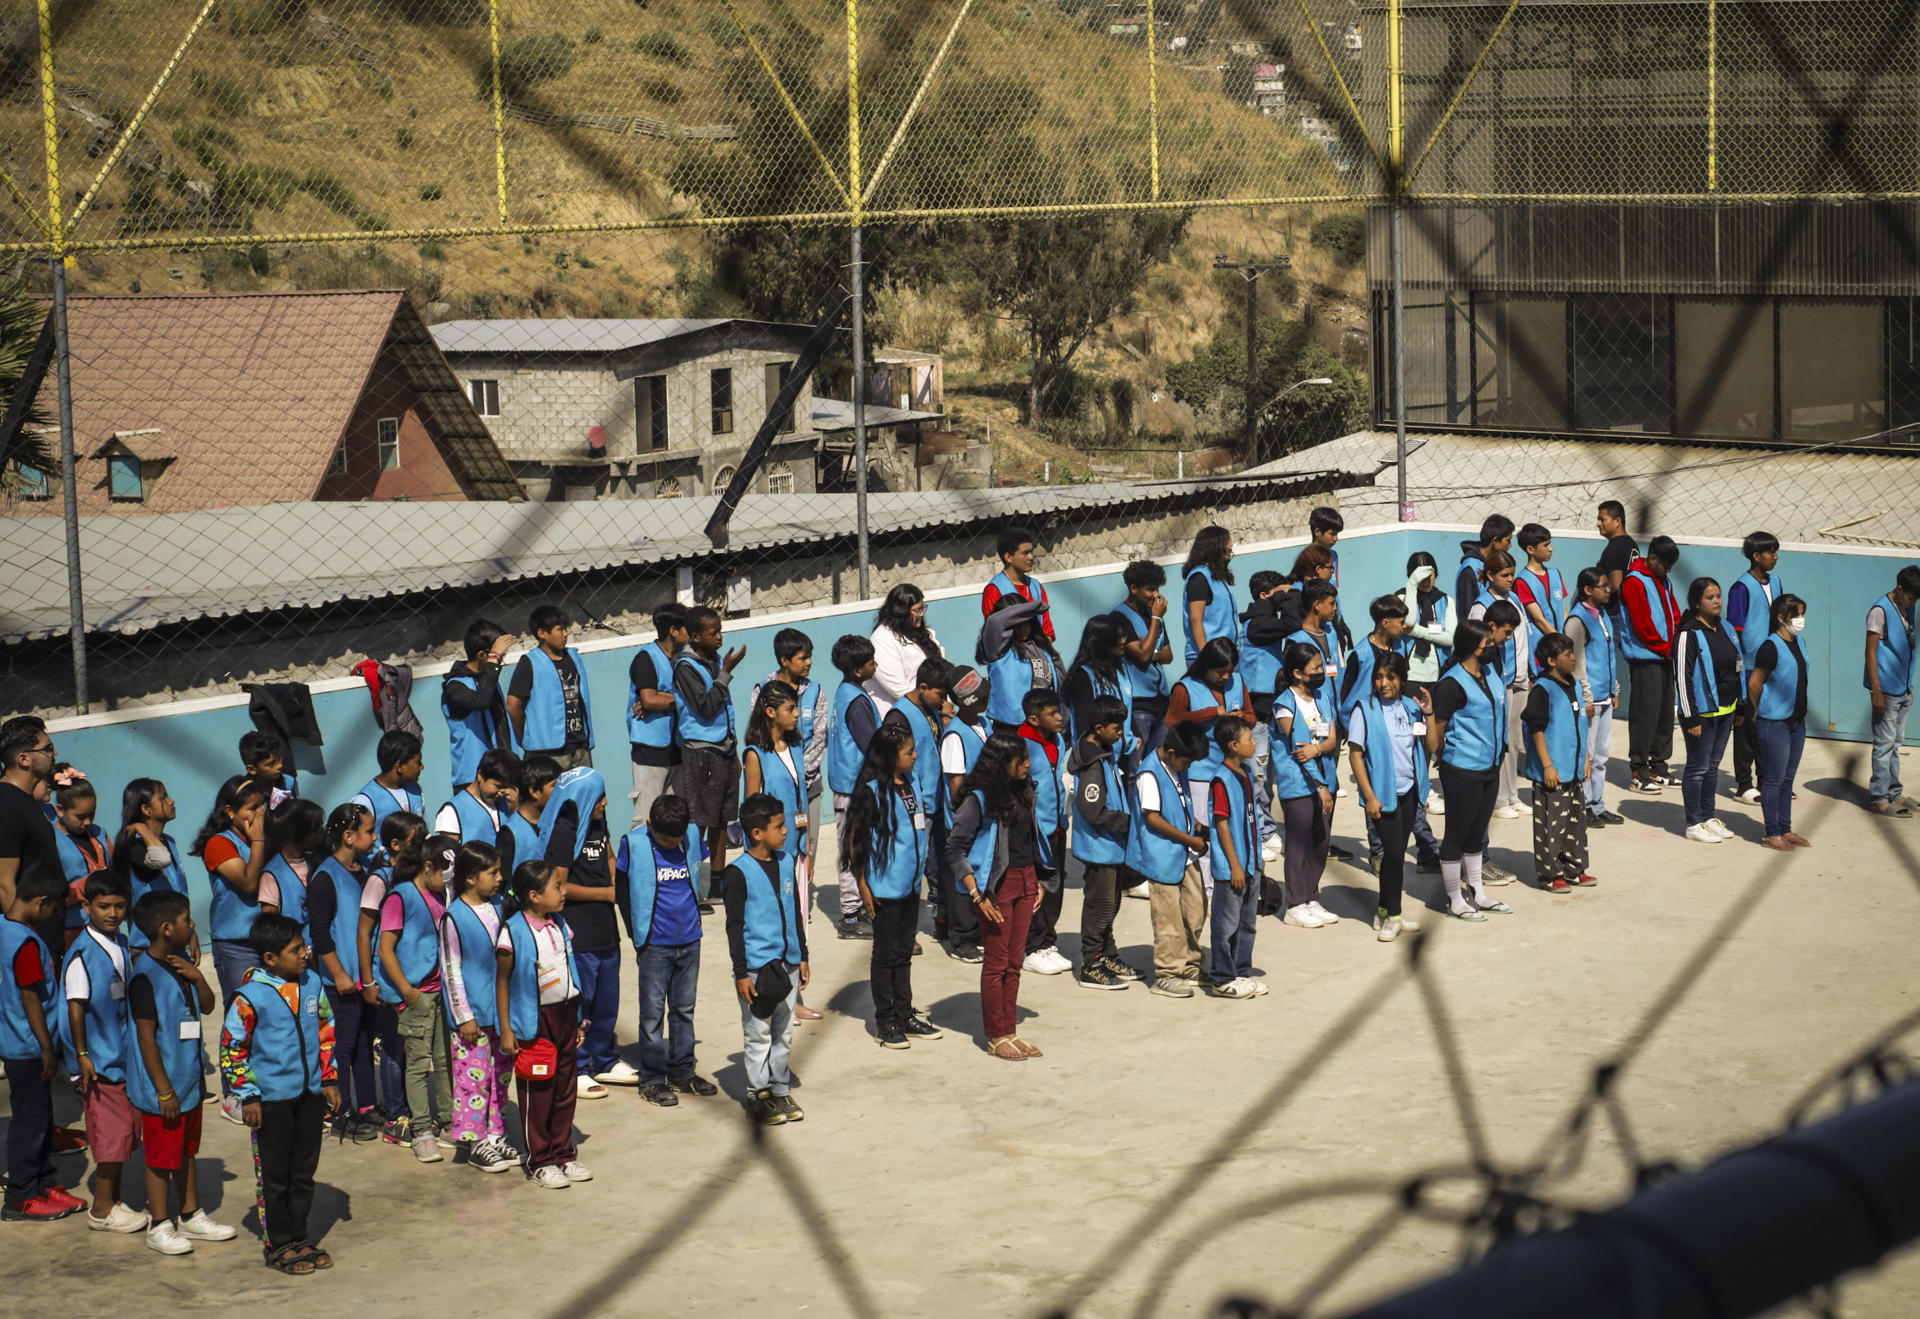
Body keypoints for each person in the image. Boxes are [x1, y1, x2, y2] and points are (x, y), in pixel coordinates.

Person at [220, 912, 339, 1274]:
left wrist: (329, 1078)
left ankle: (300, 1237)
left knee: (303, 1172)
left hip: (309, 1096)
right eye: (295, 949)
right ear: (270, 959)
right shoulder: (249, 996)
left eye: (303, 946)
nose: (304, 953)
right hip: (270, 1102)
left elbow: (326, 1032)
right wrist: (249, 1095)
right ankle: (279, 1244)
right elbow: (232, 1048)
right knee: (275, 1176)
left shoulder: (313, 984)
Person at [128, 889, 237, 1254]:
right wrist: (163, 1090)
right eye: (187, 921)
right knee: (161, 1158)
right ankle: (159, 1224)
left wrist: (198, 977)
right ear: (165, 928)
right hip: (164, 1089)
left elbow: (207, 1008)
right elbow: (146, 1039)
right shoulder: (144, 977)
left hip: (188, 1083)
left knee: (186, 1150)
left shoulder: (179, 967)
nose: (192, 926)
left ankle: (190, 1215)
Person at [945, 733, 1048, 1061]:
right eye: (1021, 759)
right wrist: (976, 894)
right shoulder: (978, 799)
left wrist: (1038, 878)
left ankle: (1010, 1031)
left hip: (1026, 880)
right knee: (997, 963)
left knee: (1015, 963)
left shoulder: (1025, 790)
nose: (1028, 764)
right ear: (1002, 762)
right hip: (997, 888)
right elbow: (954, 848)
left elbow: (1029, 839)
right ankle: (995, 1035)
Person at [493, 860, 592, 1188]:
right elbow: (503, 982)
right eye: (556, 887)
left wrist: (578, 1018)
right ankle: (541, 1159)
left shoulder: (560, 924)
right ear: (534, 895)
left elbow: (569, 970)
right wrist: (507, 1028)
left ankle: (564, 1152)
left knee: (566, 1087)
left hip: (564, 1016)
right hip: (535, 1022)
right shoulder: (513, 931)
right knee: (539, 1091)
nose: (564, 892)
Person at [617, 794, 715, 1108]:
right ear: (649, 825)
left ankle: (683, 1072)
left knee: (684, 1011)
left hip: (689, 940)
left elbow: (701, 867)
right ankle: (653, 1079)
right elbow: (622, 892)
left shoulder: (691, 835)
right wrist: (637, 937)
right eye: (665, 840)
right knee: (652, 1016)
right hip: (655, 945)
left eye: (677, 839)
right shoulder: (632, 844)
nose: (673, 845)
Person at [63, 870, 143, 1231]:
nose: (112, 913)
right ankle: (102, 1209)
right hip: (100, 1061)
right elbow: (75, 1007)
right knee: (110, 1136)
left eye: (119, 906)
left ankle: (115, 1200)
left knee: (124, 1132)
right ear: (86, 907)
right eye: (104, 906)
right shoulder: (82, 954)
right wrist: (82, 1055)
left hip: (123, 1056)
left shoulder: (121, 943)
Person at [537, 766, 625, 1097]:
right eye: (600, 795)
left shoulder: (598, 822)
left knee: (607, 999)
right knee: (582, 1001)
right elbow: (558, 884)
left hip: (605, 928)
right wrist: (605, 894)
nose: (605, 801)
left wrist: (617, 883)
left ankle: (605, 1059)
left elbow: (609, 857)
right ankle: (580, 1064)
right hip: (579, 931)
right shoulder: (566, 828)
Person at [721, 794, 809, 1124]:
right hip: (757, 969)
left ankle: (780, 1090)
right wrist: (741, 972)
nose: (786, 831)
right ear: (757, 833)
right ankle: (758, 1095)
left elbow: (795, 912)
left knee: (784, 1032)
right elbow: (734, 926)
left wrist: (802, 955)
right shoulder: (737, 873)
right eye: (779, 826)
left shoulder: (786, 861)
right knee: (758, 1032)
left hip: (786, 963)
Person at [846, 725, 935, 1048]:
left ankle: (904, 1012)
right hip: (884, 888)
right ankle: (886, 1021)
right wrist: (863, 885)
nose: (915, 756)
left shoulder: (910, 784)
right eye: (909, 752)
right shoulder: (871, 791)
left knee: (903, 953)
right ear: (889, 756)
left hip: (911, 886)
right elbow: (855, 840)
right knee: (885, 955)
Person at [440, 840, 521, 1172]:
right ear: (470, 878)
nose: (499, 878)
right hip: (473, 1019)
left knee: (499, 1077)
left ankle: (494, 1135)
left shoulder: (499, 907)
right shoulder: (453, 917)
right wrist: (464, 1018)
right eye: (492, 872)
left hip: (499, 1015)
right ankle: (473, 1143)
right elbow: (451, 969)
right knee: (472, 1081)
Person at [375, 834, 457, 1162]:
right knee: (419, 1064)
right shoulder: (401, 897)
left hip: (439, 994)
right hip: (416, 996)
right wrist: (407, 992)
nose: (448, 880)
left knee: (443, 1060)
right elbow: (385, 949)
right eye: (444, 872)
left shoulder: (441, 895)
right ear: (427, 866)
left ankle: (449, 1121)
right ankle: (422, 1130)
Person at [1424, 619, 1512, 922]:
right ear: (1474, 646)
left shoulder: (1489, 673)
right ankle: (1453, 898)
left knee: (1477, 833)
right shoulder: (1451, 684)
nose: (1494, 646)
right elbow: (1436, 731)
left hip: (1490, 765)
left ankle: (1478, 893)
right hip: (1462, 768)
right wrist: (1444, 757)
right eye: (1488, 642)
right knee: (1457, 834)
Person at [2, 865, 76, 1222]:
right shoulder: (26, 942)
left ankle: (44, 1182)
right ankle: (22, 1195)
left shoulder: (3, 929)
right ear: (41, 902)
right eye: (53, 911)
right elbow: (30, 996)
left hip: (14, 1041)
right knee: (31, 1123)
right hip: (30, 1047)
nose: (51, 919)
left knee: (42, 1118)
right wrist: (47, 1047)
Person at [307, 803, 379, 1140]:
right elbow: (320, 933)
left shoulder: (363, 871)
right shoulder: (325, 877)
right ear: (348, 837)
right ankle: (341, 1112)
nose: (374, 837)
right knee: (343, 1046)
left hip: (361, 978)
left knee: (363, 1043)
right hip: (342, 981)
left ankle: (367, 1105)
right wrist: (337, 973)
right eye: (369, 831)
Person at [1347, 652, 1431, 940]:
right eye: (1379, 677)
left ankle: (1383, 909)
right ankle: (1394, 916)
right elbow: (1356, 755)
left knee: (1395, 856)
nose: (1383, 683)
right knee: (1394, 855)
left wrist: (1429, 713)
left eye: (1390, 678)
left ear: (1402, 680)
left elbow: (1429, 745)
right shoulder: (1365, 709)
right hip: (1382, 796)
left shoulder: (1410, 707)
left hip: (1409, 792)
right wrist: (1369, 796)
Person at [358, 810, 424, 1143]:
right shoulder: (380, 880)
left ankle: (409, 1107)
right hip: (386, 977)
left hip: (409, 973)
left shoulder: (415, 877)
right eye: (417, 841)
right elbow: (365, 930)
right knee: (393, 1046)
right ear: (395, 844)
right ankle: (396, 1115)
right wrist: (368, 981)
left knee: (409, 1045)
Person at [1129, 722, 1209, 995]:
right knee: (1169, 917)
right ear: (1172, 751)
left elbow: (1178, 802)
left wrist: (1194, 823)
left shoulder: (1177, 766)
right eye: (1187, 761)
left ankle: (1189, 963)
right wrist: (1189, 839)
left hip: (1185, 855)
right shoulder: (1149, 774)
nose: (1189, 767)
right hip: (1163, 855)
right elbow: (1152, 818)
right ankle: (1167, 972)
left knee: (1195, 910)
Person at [194, 774, 271, 1054]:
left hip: (266, 939)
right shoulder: (219, 843)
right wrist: (259, 841)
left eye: (262, 805)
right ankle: (235, 1095)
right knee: (241, 1020)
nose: (260, 813)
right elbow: (249, 883)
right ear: (230, 812)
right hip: (237, 945)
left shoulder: (258, 839)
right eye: (252, 809)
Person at [1068, 695, 1138, 990]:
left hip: (1111, 847)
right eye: (1116, 728)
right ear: (1098, 728)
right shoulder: (1093, 765)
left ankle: (1107, 954)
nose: (1120, 733)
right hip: (1100, 848)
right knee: (1100, 906)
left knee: (1112, 904)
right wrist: (1130, 823)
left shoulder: (1104, 752)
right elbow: (1093, 810)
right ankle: (1090, 963)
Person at [674, 606, 746, 892]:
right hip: (702, 753)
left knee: (722, 819)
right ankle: (692, 886)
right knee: (699, 820)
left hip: (725, 749)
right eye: (712, 633)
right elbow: (705, 707)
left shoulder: (714, 660)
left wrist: (735, 751)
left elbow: (724, 711)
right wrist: (726, 673)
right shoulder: (685, 666)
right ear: (694, 636)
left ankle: (717, 884)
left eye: (720, 631)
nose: (719, 637)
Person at [1272, 642, 1340, 930]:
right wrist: (1320, 785)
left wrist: (1318, 750)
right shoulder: (1284, 705)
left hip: (1326, 779)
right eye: (1315, 668)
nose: (1321, 671)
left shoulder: (1321, 696)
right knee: (1299, 844)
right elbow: (1300, 751)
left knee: (1320, 841)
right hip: (1301, 784)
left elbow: (1331, 739)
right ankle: (1295, 903)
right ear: (1298, 673)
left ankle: (1311, 896)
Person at [745, 681, 818, 938]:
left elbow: (802, 798)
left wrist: (806, 848)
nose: (797, 713)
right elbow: (751, 814)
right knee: (777, 921)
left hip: (797, 848)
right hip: (772, 853)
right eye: (790, 708)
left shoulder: (796, 747)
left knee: (799, 922)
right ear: (770, 712)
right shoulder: (755, 755)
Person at [1523, 634, 1594, 893]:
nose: (1573, 658)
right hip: (1552, 771)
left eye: (1573, 653)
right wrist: (1547, 766)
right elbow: (1536, 729)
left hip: (1573, 768)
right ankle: (1550, 874)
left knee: (1575, 822)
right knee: (1549, 825)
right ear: (1551, 661)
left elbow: (1581, 726)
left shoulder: (1572, 683)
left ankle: (1574, 868)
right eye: (1567, 655)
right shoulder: (1542, 688)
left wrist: (1585, 759)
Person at [1675, 577, 1741, 845]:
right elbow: (1682, 676)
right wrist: (1692, 716)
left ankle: (1708, 815)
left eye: (1718, 596)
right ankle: (1693, 822)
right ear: (1696, 602)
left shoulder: (1724, 627)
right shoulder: (1688, 633)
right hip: (1701, 713)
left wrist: (1741, 702)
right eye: (1710, 597)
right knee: (1697, 767)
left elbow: (1738, 664)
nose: (1717, 601)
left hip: (1726, 709)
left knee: (1712, 767)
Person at [1468, 552, 1532, 820]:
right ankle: (1499, 799)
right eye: (1504, 575)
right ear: (1490, 575)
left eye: (1512, 574)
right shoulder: (1482, 607)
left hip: (1519, 679)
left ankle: (1513, 794)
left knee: (1515, 742)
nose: (1510, 579)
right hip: (1500, 681)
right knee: (1501, 740)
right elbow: (1478, 646)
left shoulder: (1513, 599)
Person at [1205, 717, 1265, 1000]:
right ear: (1233, 745)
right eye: (1248, 739)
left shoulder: (1245, 773)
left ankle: (1242, 972)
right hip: (1234, 868)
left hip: (1251, 863)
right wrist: (1235, 865)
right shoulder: (1221, 780)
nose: (1254, 742)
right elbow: (1222, 824)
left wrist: (1256, 858)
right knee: (1226, 924)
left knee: (1247, 924)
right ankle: (1222, 977)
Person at [1167, 636, 1254, 826]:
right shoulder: (1186, 687)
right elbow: (1172, 721)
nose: (1226, 677)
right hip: (1201, 773)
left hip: (1233, 770)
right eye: (1221, 672)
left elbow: (1252, 717)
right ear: (1206, 666)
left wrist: (1242, 719)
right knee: (1205, 830)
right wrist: (1210, 713)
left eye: (1230, 672)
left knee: (1234, 827)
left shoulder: (1238, 681)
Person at [936, 670, 992, 963]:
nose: (987, 696)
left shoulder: (984, 724)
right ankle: (962, 940)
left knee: (980, 872)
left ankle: (979, 930)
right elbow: (956, 785)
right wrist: (968, 814)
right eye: (981, 694)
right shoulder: (955, 736)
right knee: (962, 880)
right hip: (964, 820)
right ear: (968, 700)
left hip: (985, 816)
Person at [828, 635, 882, 940]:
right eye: (871, 661)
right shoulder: (857, 701)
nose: (876, 664)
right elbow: (872, 745)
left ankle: (860, 905)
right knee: (851, 850)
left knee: (857, 848)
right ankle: (850, 916)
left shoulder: (846, 691)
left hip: (849, 785)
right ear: (859, 669)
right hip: (852, 788)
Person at [1621, 535, 1684, 794]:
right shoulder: (1634, 581)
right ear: (1653, 558)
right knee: (1645, 716)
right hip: (1646, 656)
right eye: (1665, 565)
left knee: (1664, 715)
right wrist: (1665, 647)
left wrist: (1678, 640)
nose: (1668, 571)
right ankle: (1639, 771)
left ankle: (1659, 766)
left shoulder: (1662, 580)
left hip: (1665, 656)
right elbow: (1642, 624)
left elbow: (1674, 613)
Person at [1749, 595, 1812, 852]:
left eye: (1801, 614)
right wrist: (1755, 712)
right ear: (1781, 617)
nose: (1800, 620)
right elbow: (1755, 683)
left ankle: (1785, 828)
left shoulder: (1799, 642)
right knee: (1773, 779)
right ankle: (1772, 832)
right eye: (1796, 615)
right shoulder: (1770, 647)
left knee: (1788, 779)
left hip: (1796, 721)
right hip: (1774, 722)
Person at [1016, 689, 1072, 977]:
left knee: (1055, 884)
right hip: (1035, 829)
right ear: (1034, 719)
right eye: (1053, 714)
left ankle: (1047, 942)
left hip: (1057, 824)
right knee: (1038, 887)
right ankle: (1032, 947)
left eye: (1059, 711)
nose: (1060, 718)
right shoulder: (1021, 744)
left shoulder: (1058, 740)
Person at [1726, 534, 1784, 804]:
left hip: (1772, 665)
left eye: (1776, 551)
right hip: (1749, 668)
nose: (1775, 556)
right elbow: (1734, 631)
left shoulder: (1777, 582)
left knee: (1767, 725)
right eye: (1770, 552)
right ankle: (1743, 784)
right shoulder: (1741, 587)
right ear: (1755, 556)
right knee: (1746, 725)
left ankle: (1766, 779)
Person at [1564, 570, 1624, 828]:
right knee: (1585, 755)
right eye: (1603, 586)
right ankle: (1583, 805)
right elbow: (1575, 662)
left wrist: (1614, 691)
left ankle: (1597, 804)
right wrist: (1586, 697)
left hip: (1605, 697)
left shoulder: (1602, 616)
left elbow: (1608, 657)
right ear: (1588, 590)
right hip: (1590, 699)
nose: (1609, 590)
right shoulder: (1578, 620)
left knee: (1601, 755)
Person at [1240, 569, 1292, 863]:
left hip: (1269, 713)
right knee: (1257, 777)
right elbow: (1293, 621)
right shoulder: (1256, 625)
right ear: (1264, 596)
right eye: (1278, 593)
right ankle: (1260, 832)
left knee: (1268, 776)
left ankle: (1267, 828)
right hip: (1257, 715)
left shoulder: (1265, 622)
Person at [508, 605, 594, 771]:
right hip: (547, 753)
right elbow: (513, 705)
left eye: (565, 629)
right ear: (542, 634)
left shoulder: (573, 657)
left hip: (579, 747)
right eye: (560, 629)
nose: (565, 634)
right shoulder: (530, 662)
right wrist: (528, 735)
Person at [1864, 566, 1920, 818]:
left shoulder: (1909, 606)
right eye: (1911, 596)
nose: (1914, 601)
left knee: (1896, 744)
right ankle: (1878, 797)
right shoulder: (1879, 611)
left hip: (1902, 688)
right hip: (1885, 689)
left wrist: (1909, 687)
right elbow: (1871, 652)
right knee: (1884, 745)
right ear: (1899, 589)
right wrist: (1876, 690)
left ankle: (1895, 793)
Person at [626, 603, 688, 832]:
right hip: (651, 750)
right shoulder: (646, 659)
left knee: (677, 817)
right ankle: (641, 864)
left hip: (678, 748)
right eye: (686, 628)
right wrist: (682, 699)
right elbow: (649, 700)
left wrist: (666, 698)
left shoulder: (685, 658)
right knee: (646, 816)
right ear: (673, 630)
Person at [442, 617, 516, 796]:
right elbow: (480, 701)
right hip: (472, 780)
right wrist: (494, 662)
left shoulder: (488, 681)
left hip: (503, 772)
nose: (501, 662)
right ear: (483, 655)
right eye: (499, 657)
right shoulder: (455, 686)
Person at [112, 778, 185, 950]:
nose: (171, 801)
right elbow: (161, 859)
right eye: (163, 798)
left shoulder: (168, 841)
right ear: (146, 810)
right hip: (150, 946)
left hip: (175, 939)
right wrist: (141, 828)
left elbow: (178, 888)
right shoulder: (135, 847)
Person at [1113, 560, 1174, 760]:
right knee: (1135, 766)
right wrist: (1155, 621)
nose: (1156, 595)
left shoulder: (1155, 615)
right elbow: (1142, 655)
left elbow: (1167, 655)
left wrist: (1150, 647)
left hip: (1161, 702)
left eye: (1157, 589)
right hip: (1138, 705)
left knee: (1158, 763)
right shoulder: (1120, 618)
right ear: (1133, 588)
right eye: (1150, 589)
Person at [0, 715, 59, 921]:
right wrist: (25, 939)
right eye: (48, 749)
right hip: (28, 942)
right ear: (24, 759)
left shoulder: (26, 801)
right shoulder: (6, 802)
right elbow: (4, 884)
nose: (54, 754)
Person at [978, 595, 1060, 735]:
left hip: (1042, 726)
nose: (1023, 629)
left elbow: (1060, 680)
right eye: (1016, 625)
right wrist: (1034, 607)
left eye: (1026, 622)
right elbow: (995, 622)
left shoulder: (1039, 648)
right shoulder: (998, 649)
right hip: (1011, 729)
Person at [50, 768, 109, 945]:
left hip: (105, 923)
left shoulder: (100, 834)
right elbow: (50, 890)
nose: (88, 822)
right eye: (81, 817)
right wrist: (89, 883)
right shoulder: (50, 839)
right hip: (71, 928)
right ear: (60, 810)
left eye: (92, 814)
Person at [870, 583, 944, 712]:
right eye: (917, 610)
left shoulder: (922, 632)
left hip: (931, 707)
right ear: (901, 612)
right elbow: (898, 689)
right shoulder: (882, 639)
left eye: (923, 608)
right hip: (902, 713)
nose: (922, 614)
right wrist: (935, 702)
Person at [981, 523, 1054, 643]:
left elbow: (1048, 632)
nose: (1031, 557)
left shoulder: (1036, 587)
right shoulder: (995, 590)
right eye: (1025, 553)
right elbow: (994, 637)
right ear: (1008, 557)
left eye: (1031, 552)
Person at [260, 796, 323, 931]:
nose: (321, 832)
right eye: (316, 828)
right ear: (298, 833)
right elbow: (269, 927)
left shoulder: (315, 861)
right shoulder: (272, 875)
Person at [1513, 524, 1568, 677]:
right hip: (1542, 651)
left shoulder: (1555, 574)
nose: (1551, 548)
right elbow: (1539, 619)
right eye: (1545, 545)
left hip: (1562, 646)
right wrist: (1561, 641)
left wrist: (1566, 638)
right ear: (1530, 549)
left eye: (1550, 543)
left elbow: (1563, 610)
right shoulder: (1522, 581)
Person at [434, 748, 518, 847]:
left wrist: (516, 810)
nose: (502, 792)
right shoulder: (452, 811)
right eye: (498, 786)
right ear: (480, 775)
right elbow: (448, 856)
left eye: (507, 787)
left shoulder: (510, 803)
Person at [1182, 524, 1240, 662]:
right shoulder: (1199, 578)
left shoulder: (1215, 577)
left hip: (1225, 655)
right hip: (1209, 658)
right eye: (1226, 541)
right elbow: (1196, 619)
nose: (1231, 545)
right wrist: (1206, 657)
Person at [350, 730, 425, 834]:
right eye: (418, 763)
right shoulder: (366, 801)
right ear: (400, 766)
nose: (422, 767)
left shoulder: (416, 790)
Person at [1454, 514, 1515, 621]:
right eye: (1508, 541)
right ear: (1495, 541)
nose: (1510, 545)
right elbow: (1468, 614)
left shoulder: (1493, 562)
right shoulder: (1470, 569)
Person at [1595, 500, 1638, 614]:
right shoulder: (1631, 544)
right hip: (1628, 609)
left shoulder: (1614, 548)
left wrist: (1594, 595)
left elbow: (1615, 584)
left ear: (1618, 521)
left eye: (1602, 519)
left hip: (1614, 613)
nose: (1598, 524)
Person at [240, 731, 298, 804]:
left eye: (279, 758)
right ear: (251, 769)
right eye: (271, 763)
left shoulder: (288, 782)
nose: (280, 765)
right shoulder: (244, 798)